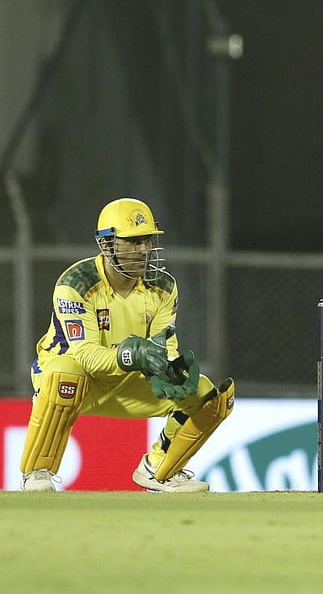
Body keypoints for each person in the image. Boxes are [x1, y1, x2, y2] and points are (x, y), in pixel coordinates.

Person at [19, 197, 235, 492]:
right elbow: (86, 357)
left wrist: (168, 368)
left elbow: (165, 345)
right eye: (132, 241)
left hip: (129, 381)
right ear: (106, 245)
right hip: (78, 380)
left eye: (146, 240)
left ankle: (158, 469)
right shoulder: (76, 282)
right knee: (65, 374)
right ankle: (37, 473)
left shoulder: (163, 286)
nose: (143, 249)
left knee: (206, 396)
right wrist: (134, 354)